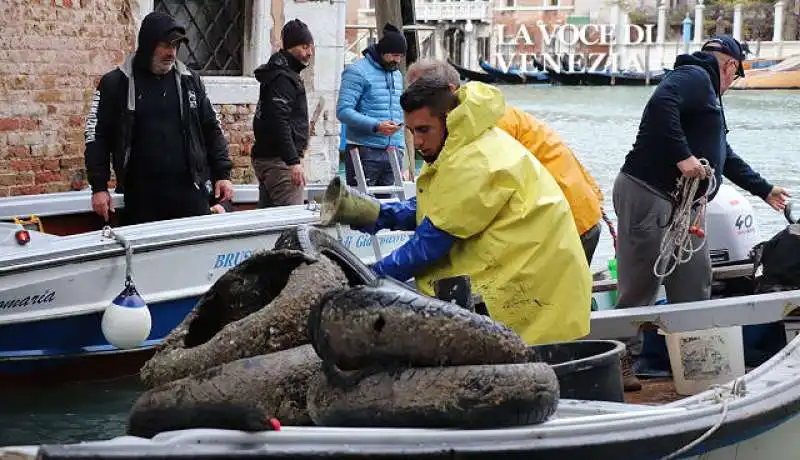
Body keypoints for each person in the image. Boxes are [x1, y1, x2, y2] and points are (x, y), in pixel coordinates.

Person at [325, 76, 592, 345]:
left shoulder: (475, 160)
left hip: (534, 282)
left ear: (449, 118)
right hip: (522, 269)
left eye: (424, 130)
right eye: (411, 131)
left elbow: (427, 246)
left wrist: (362, 279)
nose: (416, 142)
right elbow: (442, 203)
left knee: (517, 367)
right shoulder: (460, 143)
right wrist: (378, 214)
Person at [614, 35, 790, 391]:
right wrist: (682, 157)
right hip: (649, 191)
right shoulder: (694, 75)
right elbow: (660, 105)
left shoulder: (706, 94)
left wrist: (764, 189)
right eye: (736, 75)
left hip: (686, 206)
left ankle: (698, 364)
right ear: (729, 65)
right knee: (640, 284)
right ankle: (621, 363)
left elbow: (723, 151)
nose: (733, 82)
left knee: (695, 283)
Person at [406, 59, 605, 264]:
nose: (413, 103)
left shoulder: (483, 125)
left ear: (450, 90)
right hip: (569, 210)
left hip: (568, 219)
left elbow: (464, 199)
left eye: (421, 94)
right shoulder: (471, 118)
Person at [84, 11, 233, 225]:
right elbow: (96, 135)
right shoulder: (116, 84)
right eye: (165, 45)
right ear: (148, 45)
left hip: (189, 191)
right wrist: (98, 187)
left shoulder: (190, 82)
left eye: (175, 47)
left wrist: (223, 174)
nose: (171, 53)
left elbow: (212, 128)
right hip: (141, 198)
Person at [337, 23, 408, 192]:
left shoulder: (397, 75)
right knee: (361, 211)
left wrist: (401, 149)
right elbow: (343, 111)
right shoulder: (356, 72)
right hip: (364, 150)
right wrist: (377, 125)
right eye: (394, 55)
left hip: (394, 151)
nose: (397, 60)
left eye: (400, 56)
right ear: (383, 52)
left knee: (391, 209)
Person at [251, 19, 314, 208]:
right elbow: (279, 120)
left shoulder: (279, 73)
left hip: (269, 158)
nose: (309, 52)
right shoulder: (283, 78)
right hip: (280, 163)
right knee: (291, 225)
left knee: (267, 222)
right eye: (304, 47)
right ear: (290, 48)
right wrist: (293, 161)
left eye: (310, 47)